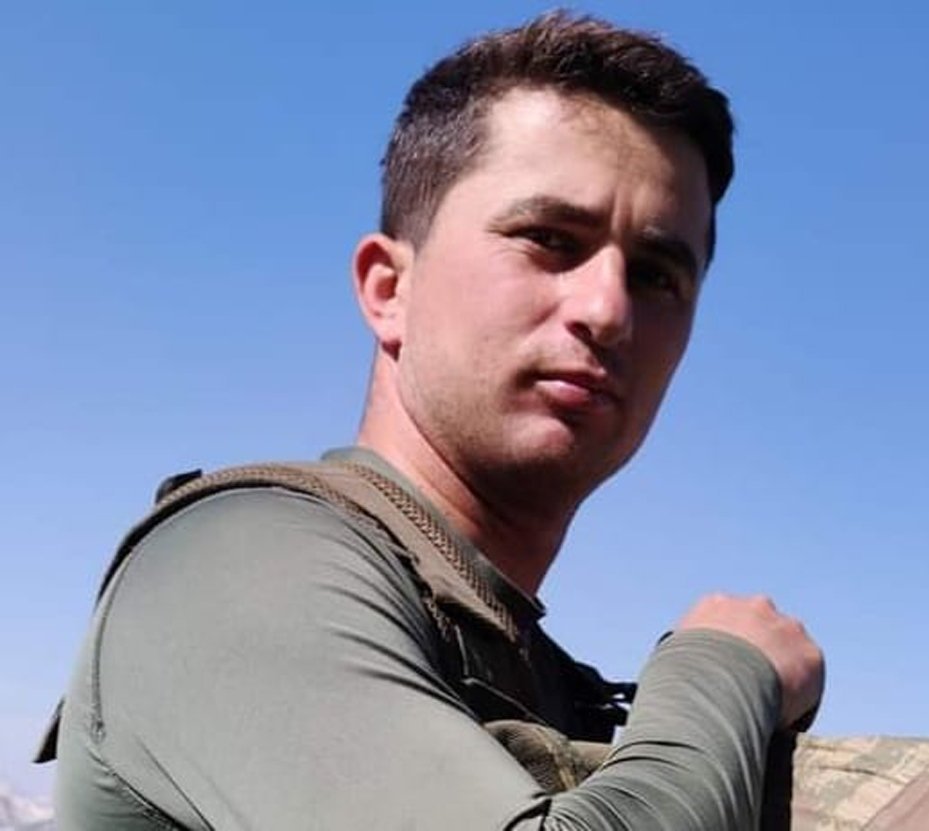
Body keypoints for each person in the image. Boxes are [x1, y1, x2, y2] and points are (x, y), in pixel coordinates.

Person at [47, 12, 824, 830]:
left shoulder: (522, 660)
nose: (607, 310)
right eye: (549, 238)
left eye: (657, 275)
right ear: (389, 289)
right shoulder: (235, 562)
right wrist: (721, 669)